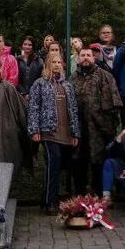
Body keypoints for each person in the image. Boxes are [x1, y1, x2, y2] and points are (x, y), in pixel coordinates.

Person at [28, 53, 80, 214]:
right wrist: (34, 129)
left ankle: (50, 199)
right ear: (48, 65)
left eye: (59, 62)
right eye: (53, 62)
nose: (57, 65)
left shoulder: (68, 85)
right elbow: (33, 108)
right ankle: (51, 202)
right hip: (49, 131)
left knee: (63, 167)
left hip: (66, 133)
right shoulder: (40, 84)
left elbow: (73, 110)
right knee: (53, 163)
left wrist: (75, 133)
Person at [71, 46, 122, 195]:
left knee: (98, 163)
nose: (85, 57)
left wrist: (110, 127)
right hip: (78, 129)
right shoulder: (72, 78)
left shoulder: (105, 76)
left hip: (100, 129)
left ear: (93, 58)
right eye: (83, 55)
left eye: (88, 55)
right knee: (78, 163)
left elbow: (115, 103)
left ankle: (98, 196)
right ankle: (79, 197)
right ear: (78, 58)